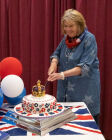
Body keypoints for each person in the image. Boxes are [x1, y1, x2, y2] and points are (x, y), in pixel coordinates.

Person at [47, 9, 100, 125]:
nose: (67, 29)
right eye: (65, 26)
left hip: (84, 93)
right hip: (65, 94)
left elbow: (84, 67)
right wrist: (54, 64)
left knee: (86, 130)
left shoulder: (89, 39)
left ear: (80, 25)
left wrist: (62, 74)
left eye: (71, 26)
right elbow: (56, 54)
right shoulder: (66, 39)